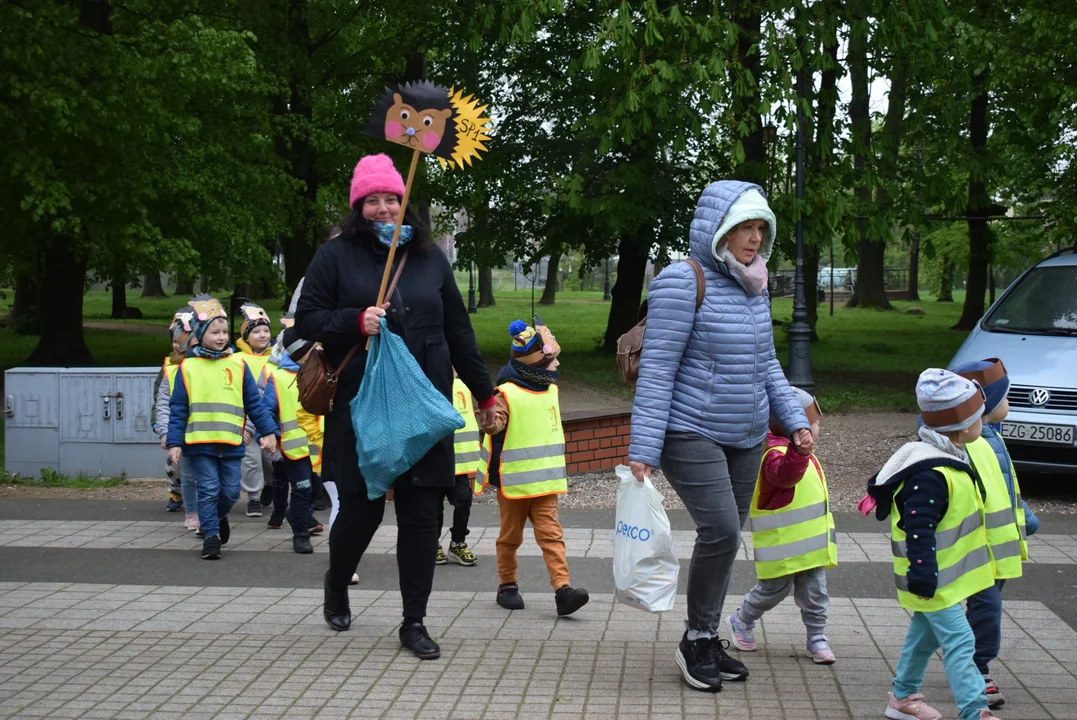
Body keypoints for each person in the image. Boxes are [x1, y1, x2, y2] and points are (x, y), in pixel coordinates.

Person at [295, 153, 495, 660]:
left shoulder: (429, 258)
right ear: (357, 205)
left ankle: (414, 621)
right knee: (360, 514)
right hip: (363, 404)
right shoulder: (335, 256)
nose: (384, 209)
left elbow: (458, 331)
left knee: (422, 516)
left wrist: (485, 393)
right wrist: (353, 320)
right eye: (373, 200)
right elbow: (306, 322)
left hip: (425, 406)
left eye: (393, 199)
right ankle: (337, 582)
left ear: (407, 204)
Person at [628, 181, 811, 692]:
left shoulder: (754, 283)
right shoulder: (681, 282)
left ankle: (706, 636)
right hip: (691, 429)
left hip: (748, 431)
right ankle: (694, 641)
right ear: (717, 231)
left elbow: (768, 362)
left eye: (759, 229)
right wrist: (642, 448)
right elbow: (658, 368)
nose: (753, 239)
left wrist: (794, 419)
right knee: (723, 531)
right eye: (743, 228)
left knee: (726, 540)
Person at [865, 369, 1000, 720]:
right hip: (931, 578)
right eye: (977, 415)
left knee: (924, 638)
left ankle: (902, 698)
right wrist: (922, 574)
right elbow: (918, 529)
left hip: (945, 580)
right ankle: (975, 711)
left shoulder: (951, 457)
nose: (983, 420)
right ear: (961, 424)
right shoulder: (929, 472)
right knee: (961, 641)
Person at [475, 319, 589, 616]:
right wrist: (488, 420)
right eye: (553, 359)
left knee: (552, 536)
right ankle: (507, 585)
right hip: (514, 485)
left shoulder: (550, 390)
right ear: (536, 365)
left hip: (545, 484)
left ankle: (563, 590)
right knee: (510, 537)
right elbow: (496, 423)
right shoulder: (507, 393)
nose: (558, 363)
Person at [727, 388, 837, 664]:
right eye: (814, 422)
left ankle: (817, 637)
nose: (818, 426)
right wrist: (798, 454)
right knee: (772, 590)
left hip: (810, 545)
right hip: (781, 546)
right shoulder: (776, 454)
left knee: (815, 592)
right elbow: (785, 478)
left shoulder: (797, 453)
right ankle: (742, 619)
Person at [166, 295, 279, 560]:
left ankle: (216, 518)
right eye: (214, 332)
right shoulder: (188, 367)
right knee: (207, 489)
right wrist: (174, 442)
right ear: (200, 334)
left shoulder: (238, 364)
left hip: (231, 442)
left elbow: (254, 403)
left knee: (229, 492)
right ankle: (212, 538)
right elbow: (178, 408)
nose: (220, 337)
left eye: (225, 332)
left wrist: (269, 432)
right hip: (199, 443)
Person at [955, 358, 1037, 708]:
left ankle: (966, 658)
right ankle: (978, 668)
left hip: (998, 544)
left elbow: (1006, 488)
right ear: (985, 403)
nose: (1010, 404)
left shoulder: (992, 437)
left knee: (979, 607)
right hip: (980, 545)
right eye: (1006, 397)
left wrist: (1026, 519)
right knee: (987, 607)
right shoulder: (974, 444)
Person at [263, 333, 315, 555]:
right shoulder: (278, 378)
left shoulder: (325, 371)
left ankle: (296, 514)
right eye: (315, 348)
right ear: (301, 354)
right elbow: (266, 411)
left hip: (321, 446)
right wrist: (271, 434)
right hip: (294, 448)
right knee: (303, 490)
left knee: (316, 491)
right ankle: (301, 534)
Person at [153, 307, 198, 528]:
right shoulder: (169, 369)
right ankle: (176, 491)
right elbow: (159, 399)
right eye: (173, 341)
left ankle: (197, 502)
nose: (176, 345)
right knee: (174, 465)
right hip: (175, 424)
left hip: (199, 426)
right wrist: (162, 429)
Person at [436, 370, 481, 567]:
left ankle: (458, 543)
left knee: (463, 500)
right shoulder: (431, 383)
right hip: (435, 460)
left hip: (459, 461)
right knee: (433, 506)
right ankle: (432, 543)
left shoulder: (463, 385)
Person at [236, 303, 275, 517]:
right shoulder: (238, 359)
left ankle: (269, 484)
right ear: (246, 336)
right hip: (246, 419)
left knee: (269, 458)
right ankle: (252, 497)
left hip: (270, 418)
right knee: (250, 458)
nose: (262, 335)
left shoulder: (276, 358)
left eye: (266, 330)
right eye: (256, 331)